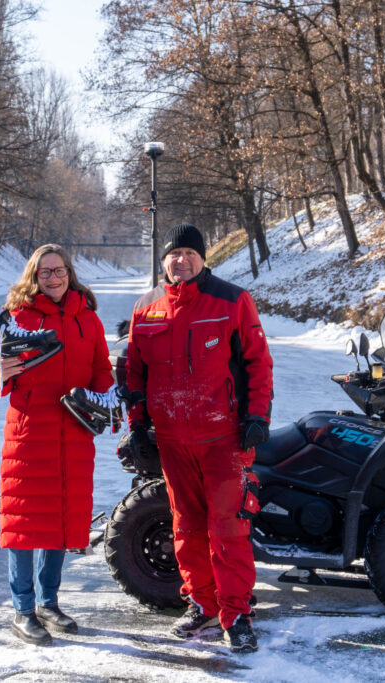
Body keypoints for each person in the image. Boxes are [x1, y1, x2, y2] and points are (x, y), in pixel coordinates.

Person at [124, 223, 273, 654]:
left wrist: (257, 416)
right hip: (172, 439)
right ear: (164, 261)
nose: (181, 260)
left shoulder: (231, 300)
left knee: (227, 528)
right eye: (174, 254)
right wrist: (137, 425)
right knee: (186, 526)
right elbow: (134, 373)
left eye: (190, 252)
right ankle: (202, 604)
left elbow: (258, 363)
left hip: (223, 437)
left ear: (203, 258)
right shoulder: (146, 308)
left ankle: (236, 612)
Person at [0, 244, 113, 646]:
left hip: (73, 434)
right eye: (45, 272)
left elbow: (101, 371)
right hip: (30, 434)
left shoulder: (88, 320)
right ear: (34, 277)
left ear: (70, 274)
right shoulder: (18, 318)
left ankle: (48, 602)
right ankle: (22, 610)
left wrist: (108, 404)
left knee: (59, 521)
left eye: (59, 271)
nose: (53, 278)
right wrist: (0, 372)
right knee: (24, 525)